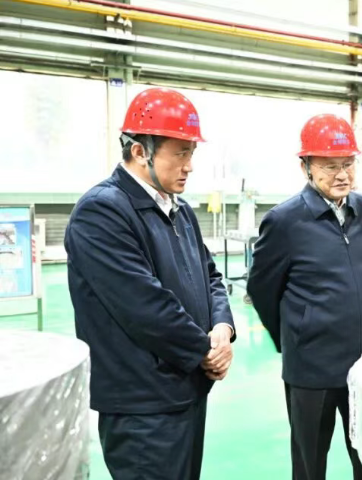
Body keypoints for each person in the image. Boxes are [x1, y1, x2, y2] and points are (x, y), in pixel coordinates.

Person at [64, 87, 235, 480]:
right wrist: (205, 350)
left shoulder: (179, 209)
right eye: (180, 153)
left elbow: (210, 276)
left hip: (187, 390)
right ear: (141, 151)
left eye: (192, 153)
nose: (190, 166)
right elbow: (143, 306)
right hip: (142, 407)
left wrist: (223, 329)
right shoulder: (102, 212)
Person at [247, 114, 362, 480]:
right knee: (310, 461)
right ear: (306, 167)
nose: (342, 175)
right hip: (312, 367)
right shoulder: (285, 221)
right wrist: (297, 334)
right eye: (330, 166)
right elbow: (261, 289)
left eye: (348, 164)